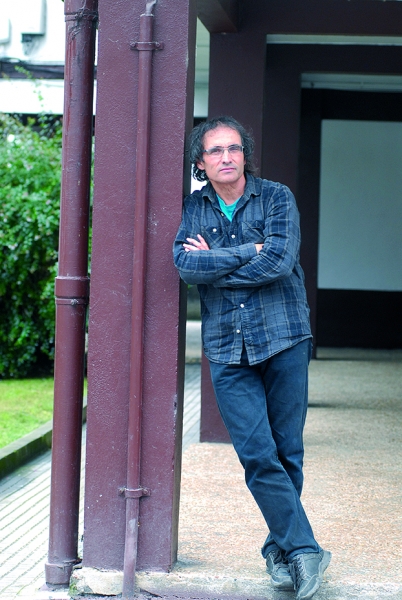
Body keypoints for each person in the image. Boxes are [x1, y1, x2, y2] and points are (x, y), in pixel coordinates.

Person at [173, 116, 331, 600]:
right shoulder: (194, 207)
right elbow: (185, 264)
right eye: (215, 151)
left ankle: (279, 551)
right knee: (257, 454)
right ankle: (305, 550)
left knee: (287, 451)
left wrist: (217, 263)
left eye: (234, 148)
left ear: (245, 154)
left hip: (284, 337)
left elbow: (279, 261)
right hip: (226, 347)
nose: (226, 157)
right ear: (200, 162)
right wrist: (248, 251)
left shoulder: (277, 198)